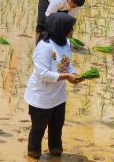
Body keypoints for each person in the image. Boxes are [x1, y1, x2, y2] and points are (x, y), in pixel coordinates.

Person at [25, 13, 84, 159]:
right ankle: (33, 154)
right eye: (70, 28)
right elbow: (43, 74)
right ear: (60, 28)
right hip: (41, 98)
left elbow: (67, 64)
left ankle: (56, 153)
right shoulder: (45, 47)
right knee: (38, 130)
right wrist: (66, 77)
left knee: (57, 129)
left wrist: (73, 74)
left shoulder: (66, 43)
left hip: (58, 97)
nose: (72, 31)